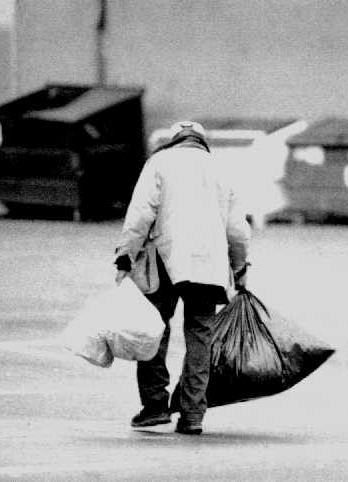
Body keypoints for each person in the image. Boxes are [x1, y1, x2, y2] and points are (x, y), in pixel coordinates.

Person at [114, 121, 251, 435]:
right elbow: (237, 230)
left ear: (175, 140)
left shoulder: (159, 162)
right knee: (200, 335)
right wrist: (240, 268)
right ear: (202, 142)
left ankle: (154, 407)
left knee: (154, 327)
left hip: (164, 257)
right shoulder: (220, 168)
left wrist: (126, 255)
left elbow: (141, 213)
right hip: (209, 265)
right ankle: (192, 415)